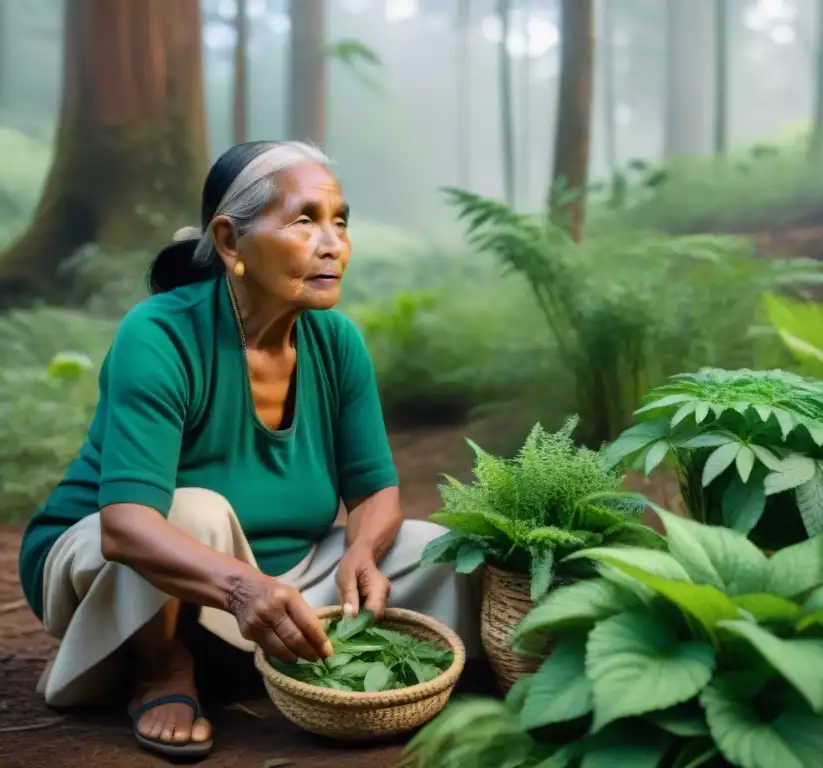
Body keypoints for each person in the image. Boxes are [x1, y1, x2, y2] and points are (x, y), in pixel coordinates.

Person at [17, 140, 480, 760]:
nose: (332, 242)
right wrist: (241, 590)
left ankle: (285, 658)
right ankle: (162, 669)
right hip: (115, 564)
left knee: (439, 548)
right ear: (231, 242)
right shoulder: (159, 334)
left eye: (340, 220)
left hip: (280, 577)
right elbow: (125, 528)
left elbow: (374, 492)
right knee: (194, 510)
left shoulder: (336, 342)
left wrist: (363, 550)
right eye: (304, 219)